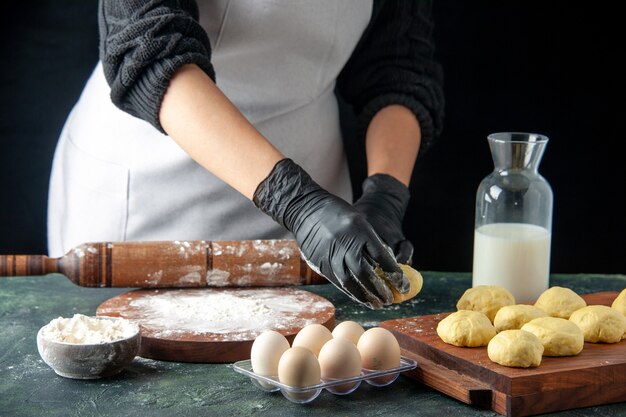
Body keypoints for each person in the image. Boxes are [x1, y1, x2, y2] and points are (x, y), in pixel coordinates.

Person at [47, 0, 444, 309]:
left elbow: (399, 65)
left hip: (321, 218)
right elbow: (148, 50)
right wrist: (295, 201)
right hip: (157, 192)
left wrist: (386, 192)